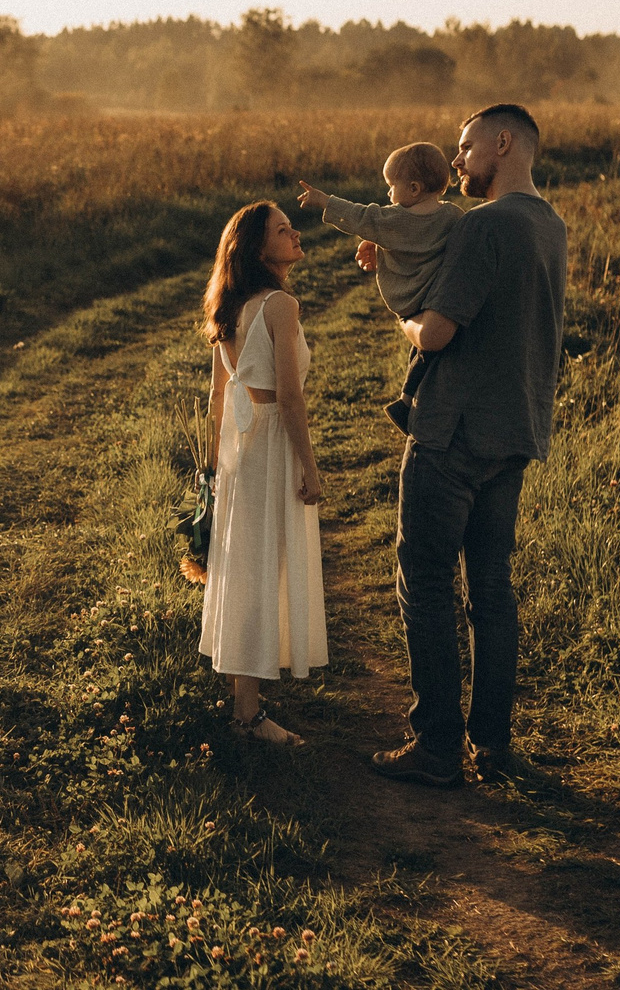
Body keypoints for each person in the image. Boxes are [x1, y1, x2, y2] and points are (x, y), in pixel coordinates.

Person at [365, 104, 567, 788]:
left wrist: (403, 319)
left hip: (453, 429)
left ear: (503, 143)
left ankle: (437, 747)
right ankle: (495, 746)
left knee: (424, 583)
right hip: (516, 429)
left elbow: (437, 332)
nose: (456, 161)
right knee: (492, 591)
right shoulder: (550, 224)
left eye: (466, 146)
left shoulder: (486, 225)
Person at [196, 201, 329, 745]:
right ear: (258, 249)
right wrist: (310, 466)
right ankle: (248, 717)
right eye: (282, 230)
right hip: (271, 440)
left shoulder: (230, 305)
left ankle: (244, 703)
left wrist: (211, 469)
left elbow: (217, 396)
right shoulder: (279, 305)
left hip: (238, 449)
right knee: (262, 566)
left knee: (242, 565)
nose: (295, 233)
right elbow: (291, 399)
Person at [294, 141, 463, 432]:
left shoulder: (394, 219)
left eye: (391, 186)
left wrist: (325, 201)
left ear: (413, 188)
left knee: (423, 348)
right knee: (425, 353)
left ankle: (406, 400)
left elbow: (362, 217)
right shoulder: (454, 216)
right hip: (439, 297)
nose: (388, 194)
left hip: (413, 299)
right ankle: (407, 400)